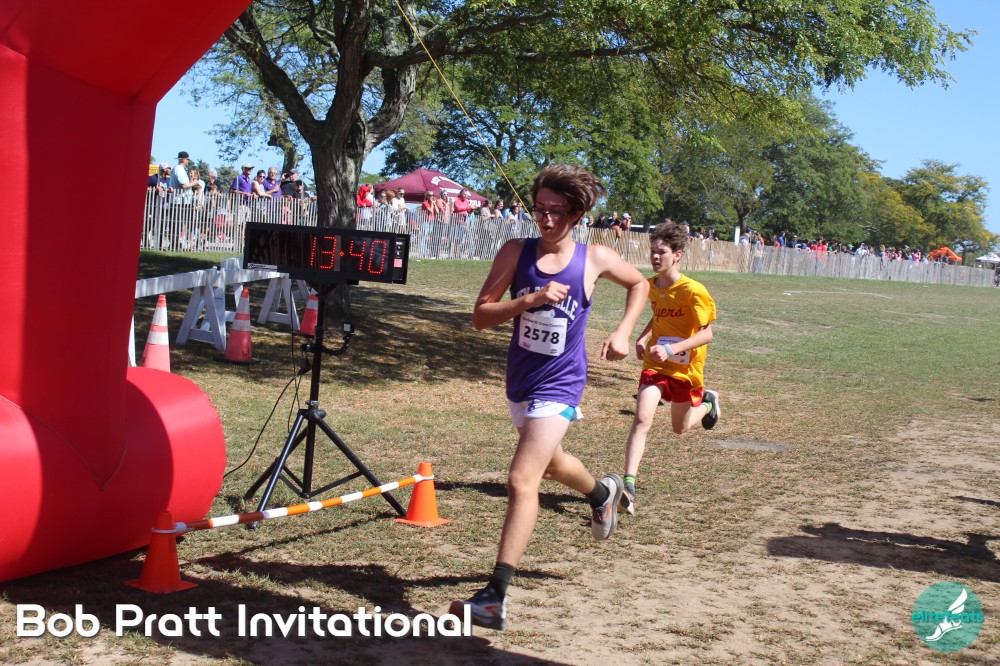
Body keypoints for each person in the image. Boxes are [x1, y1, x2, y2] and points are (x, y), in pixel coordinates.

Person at [449, 164, 649, 631]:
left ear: (576, 214)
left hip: (561, 383)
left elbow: (639, 283)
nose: (545, 219)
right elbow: (479, 317)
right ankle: (602, 493)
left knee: (522, 479)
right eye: (539, 209)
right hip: (521, 380)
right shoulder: (515, 252)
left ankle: (494, 597)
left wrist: (624, 331)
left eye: (556, 211)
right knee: (553, 464)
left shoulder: (595, 258)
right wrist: (528, 300)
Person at [620, 220, 719, 515]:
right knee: (642, 418)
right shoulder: (650, 286)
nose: (655, 257)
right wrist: (642, 338)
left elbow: (707, 334)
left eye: (661, 252)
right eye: (652, 251)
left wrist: (671, 349)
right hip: (655, 365)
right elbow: (658, 316)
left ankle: (708, 404)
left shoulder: (693, 291)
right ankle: (629, 485)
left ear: (677, 255)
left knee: (679, 428)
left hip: (685, 369)